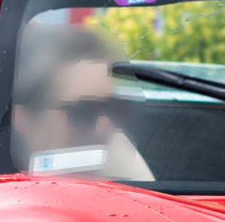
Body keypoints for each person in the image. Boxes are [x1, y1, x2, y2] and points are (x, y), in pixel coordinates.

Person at [9, 20, 154, 180]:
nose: (107, 126)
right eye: (84, 112)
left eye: (114, 107)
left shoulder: (107, 143)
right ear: (23, 119)